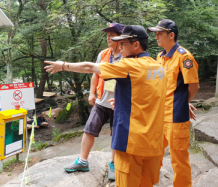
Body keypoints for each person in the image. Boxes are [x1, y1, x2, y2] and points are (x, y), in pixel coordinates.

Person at [45, 25, 167, 187]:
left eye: (123, 43)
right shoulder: (158, 67)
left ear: (136, 45)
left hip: (131, 144)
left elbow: (91, 68)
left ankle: (85, 160)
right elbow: (153, 99)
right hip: (154, 144)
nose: (120, 47)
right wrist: (125, 102)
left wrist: (64, 65)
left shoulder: (130, 65)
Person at [63, 23, 124, 180]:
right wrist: (91, 93)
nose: (108, 38)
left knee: (116, 134)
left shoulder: (127, 55)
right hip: (102, 101)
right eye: (107, 35)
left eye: (112, 35)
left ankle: (114, 163)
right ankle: (83, 161)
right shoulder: (103, 54)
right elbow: (95, 74)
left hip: (119, 103)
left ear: (120, 37)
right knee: (89, 129)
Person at [147, 19, 200, 187]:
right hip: (159, 115)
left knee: (178, 160)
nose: (156, 37)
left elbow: (194, 85)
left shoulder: (184, 56)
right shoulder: (160, 56)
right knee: (154, 154)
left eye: (159, 34)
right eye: (155, 34)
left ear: (171, 35)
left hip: (176, 116)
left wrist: (184, 102)